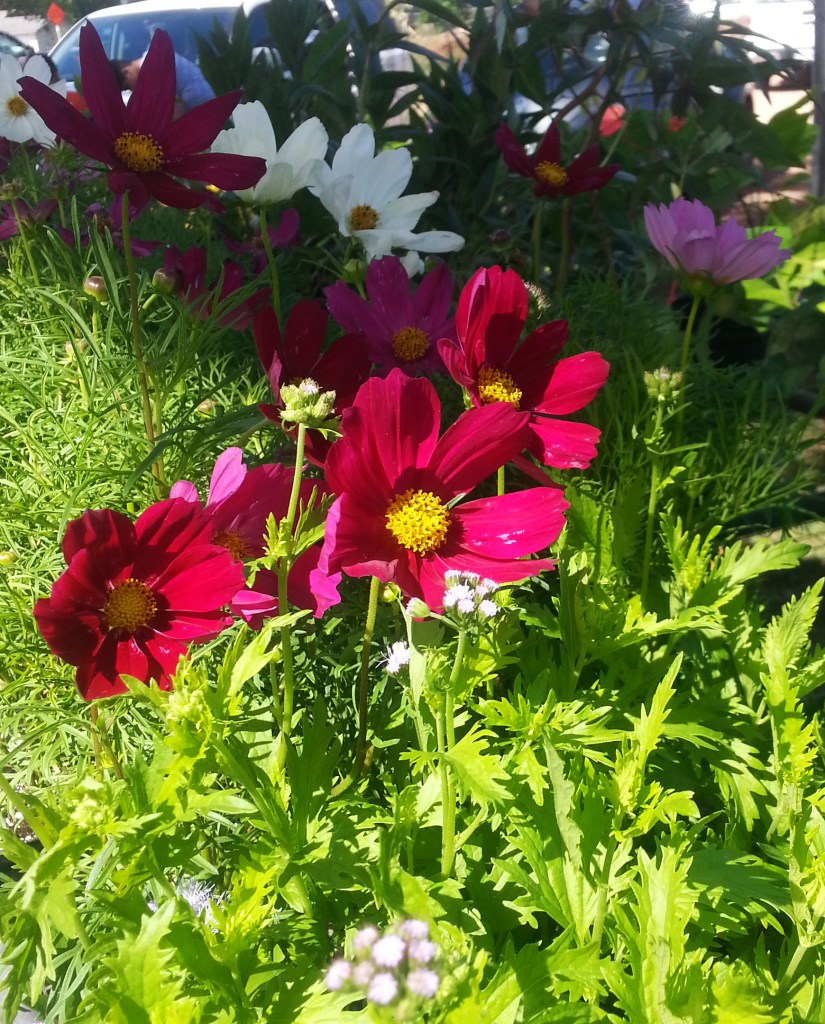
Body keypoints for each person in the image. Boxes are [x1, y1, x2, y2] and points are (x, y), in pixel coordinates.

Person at [109, 45, 214, 115]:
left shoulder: (154, 66)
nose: (133, 91)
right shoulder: (154, 58)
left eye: (128, 87)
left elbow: (175, 113)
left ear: (126, 73)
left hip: (215, 119)